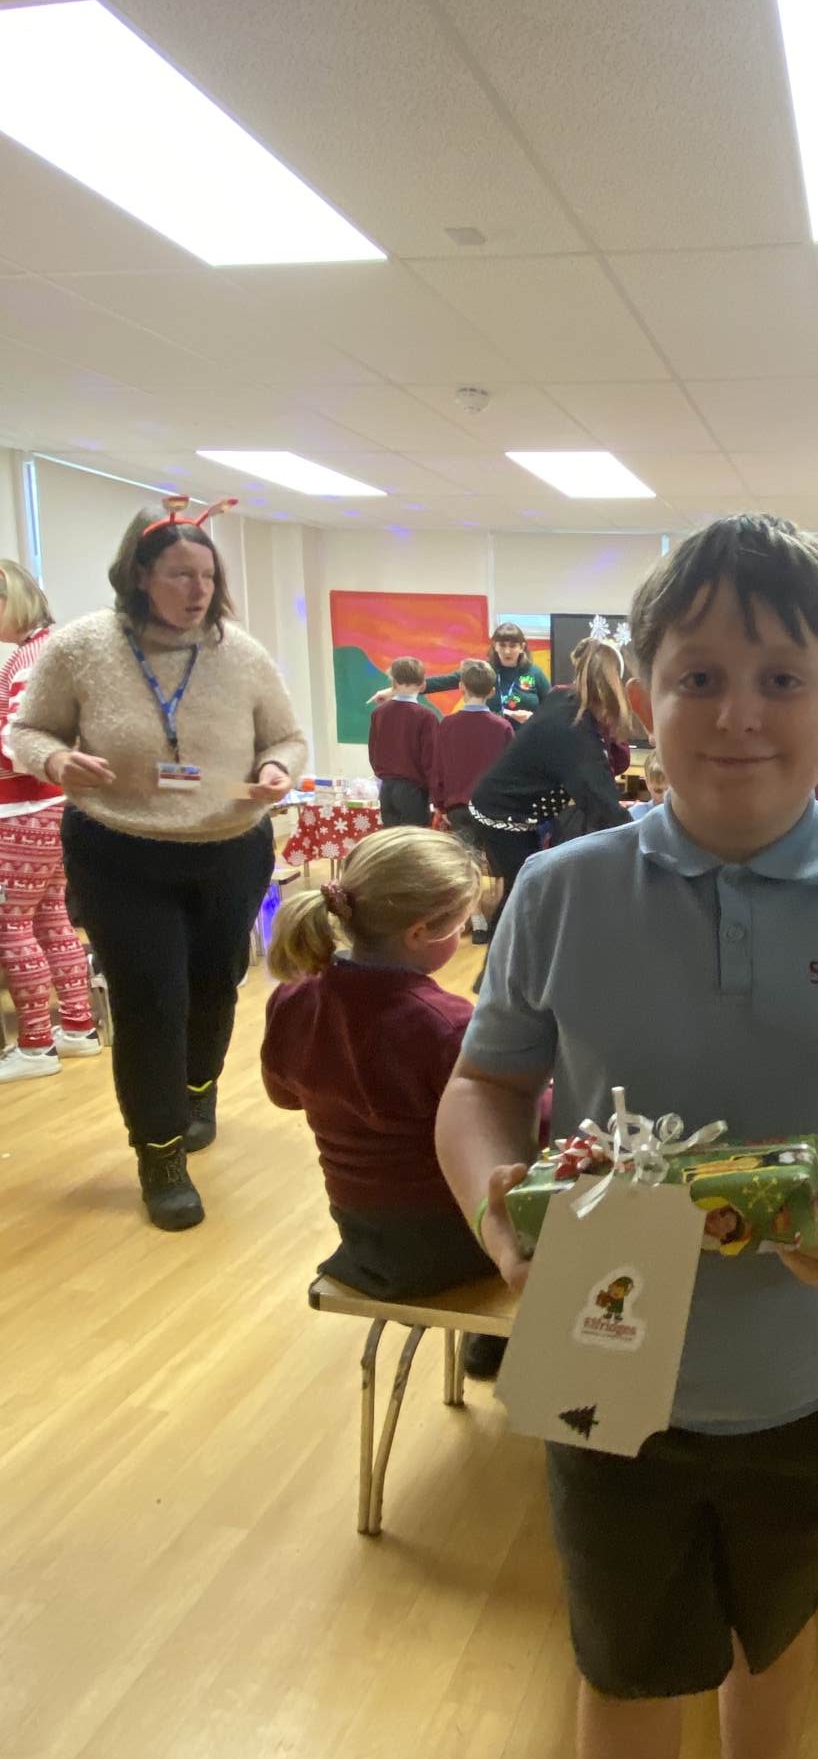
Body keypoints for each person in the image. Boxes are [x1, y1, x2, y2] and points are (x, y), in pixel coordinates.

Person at [436, 513, 818, 1759]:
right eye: (698, 676)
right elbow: (483, 1088)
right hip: (597, 1343)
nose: (738, 713)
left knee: (777, 1623)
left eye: (781, 678)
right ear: (641, 701)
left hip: (816, 1360)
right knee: (624, 1662)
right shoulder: (561, 890)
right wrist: (490, 1206)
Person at [11, 497, 305, 1231]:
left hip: (229, 848)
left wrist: (277, 769)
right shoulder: (80, 647)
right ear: (140, 575)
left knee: (214, 986)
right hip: (120, 851)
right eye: (180, 574)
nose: (198, 590)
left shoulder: (241, 653)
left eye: (208, 575)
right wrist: (55, 760)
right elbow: (28, 731)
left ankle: (198, 1090)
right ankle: (160, 1155)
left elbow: (287, 738)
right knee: (150, 1001)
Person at [261, 827, 505, 1374]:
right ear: (421, 932)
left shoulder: (293, 997)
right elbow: (516, 1128)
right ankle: (507, 1340)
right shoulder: (445, 1024)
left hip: (364, 1237)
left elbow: (283, 1097)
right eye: (461, 924)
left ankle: (494, 1339)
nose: (462, 933)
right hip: (454, 1242)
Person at [0, 560, 99, 1082]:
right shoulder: (45, 651)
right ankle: (78, 1027)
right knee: (51, 918)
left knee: (12, 925)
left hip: (22, 810)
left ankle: (36, 1044)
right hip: (51, 808)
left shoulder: (30, 659)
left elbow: (24, 747)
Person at [465, 637, 630, 946]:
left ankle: (505, 957)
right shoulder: (576, 731)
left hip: (504, 808)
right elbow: (604, 803)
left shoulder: (564, 700)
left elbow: (606, 772)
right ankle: (501, 962)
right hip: (502, 815)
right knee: (525, 892)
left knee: (523, 889)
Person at [376, 621, 553, 724]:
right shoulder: (483, 670)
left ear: (522, 647)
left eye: (513, 646)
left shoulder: (534, 673)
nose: (507, 651)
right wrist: (394, 691)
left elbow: (553, 706)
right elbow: (441, 682)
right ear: (494, 646)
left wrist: (534, 718)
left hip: (524, 744)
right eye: (502, 645)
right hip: (489, 741)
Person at [433, 659, 514, 845]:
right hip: (491, 807)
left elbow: (437, 767)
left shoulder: (447, 725)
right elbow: (511, 770)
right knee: (490, 859)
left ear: (461, 687)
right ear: (492, 691)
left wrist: (439, 804)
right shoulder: (503, 727)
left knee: (465, 857)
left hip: (457, 807)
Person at [368, 656, 437, 828]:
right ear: (422, 684)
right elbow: (431, 760)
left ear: (393, 682)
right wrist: (436, 795)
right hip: (413, 790)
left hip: (386, 788)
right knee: (413, 839)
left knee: (392, 839)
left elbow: (373, 752)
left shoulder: (379, 713)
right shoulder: (426, 717)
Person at [626, 750, 667, 818]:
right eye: (658, 791)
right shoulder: (635, 814)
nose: (664, 797)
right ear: (647, 783)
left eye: (672, 792)